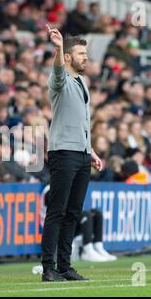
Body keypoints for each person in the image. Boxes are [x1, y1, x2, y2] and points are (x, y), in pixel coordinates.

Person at [41, 25, 103, 282]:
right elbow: (56, 71)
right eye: (80, 54)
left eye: (85, 53)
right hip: (63, 153)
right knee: (57, 211)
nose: (85, 57)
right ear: (67, 57)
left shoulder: (82, 81)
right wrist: (57, 47)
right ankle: (48, 267)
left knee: (73, 212)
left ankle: (65, 267)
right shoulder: (60, 79)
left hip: (80, 154)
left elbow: (80, 122)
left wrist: (91, 151)